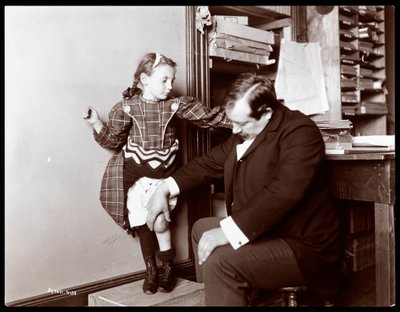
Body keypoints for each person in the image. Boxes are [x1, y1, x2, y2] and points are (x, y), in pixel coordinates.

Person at [146, 72, 343, 306]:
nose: (235, 130)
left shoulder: (300, 132)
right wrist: (164, 188)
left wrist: (228, 231)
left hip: (303, 246)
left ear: (267, 113)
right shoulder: (247, 131)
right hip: (268, 231)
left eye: (241, 123)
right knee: (201, 230)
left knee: (221, 261)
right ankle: (225, 297)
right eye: (233, 122)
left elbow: (283, 192)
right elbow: (208, 163)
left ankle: (227, 290)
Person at [83, 52, 231, 295]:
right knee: (142, 223)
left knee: (160, 221)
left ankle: (169, 266)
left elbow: (207, 117)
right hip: (135, 177)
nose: (170, 86)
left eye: (172, 80)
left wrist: (239, 119)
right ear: (144, 79)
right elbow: (112, 140)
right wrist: (95, 122)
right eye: (164, 80)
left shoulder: (175, 105)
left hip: (163, 179)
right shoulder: (127, 108)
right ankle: (150, 269)